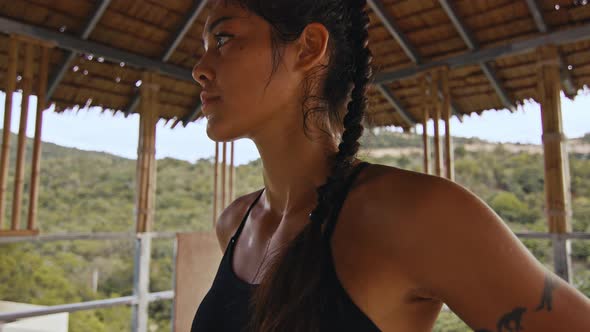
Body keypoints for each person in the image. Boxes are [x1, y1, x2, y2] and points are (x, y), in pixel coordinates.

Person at [189, 1, 590, 331]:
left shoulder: (411, 215)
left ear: (309, 47)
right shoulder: (235, 223)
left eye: (222, 39)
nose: (199, 69)